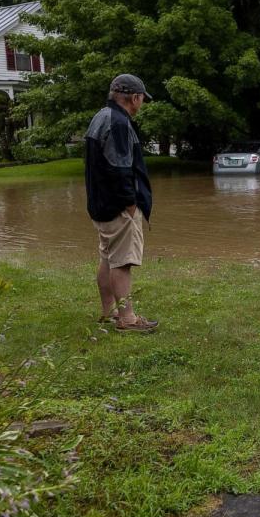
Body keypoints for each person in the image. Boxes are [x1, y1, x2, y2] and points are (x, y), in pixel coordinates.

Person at [85, 74, 158, 332]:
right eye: (142, 99)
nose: (142, 104)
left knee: (107, 258)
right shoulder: (118, 123)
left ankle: (109, 313)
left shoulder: (101, 116)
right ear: (135, 97)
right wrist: (130, 205)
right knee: (122, 262)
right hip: (117, 208)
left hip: (100, 205)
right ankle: (127, 319)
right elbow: (120, 170)